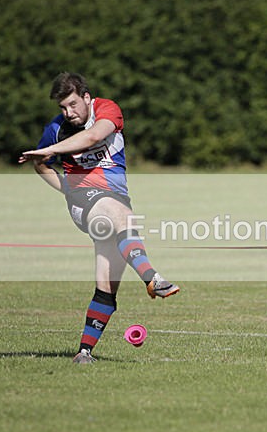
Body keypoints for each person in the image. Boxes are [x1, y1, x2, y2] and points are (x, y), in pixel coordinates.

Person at [19, 72, 179, 364]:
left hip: (114, 199)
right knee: (121, 217)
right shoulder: (55, 129)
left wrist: (50, 150)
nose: (68, 113)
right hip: (85, 202)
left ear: (87, 98)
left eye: (72, 105)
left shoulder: (107, 110)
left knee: (107, 282)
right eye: (63, 108)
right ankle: (151, 277)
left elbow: (93, 136)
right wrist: (66, 189)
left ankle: (84, 352)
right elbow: (40, 165)